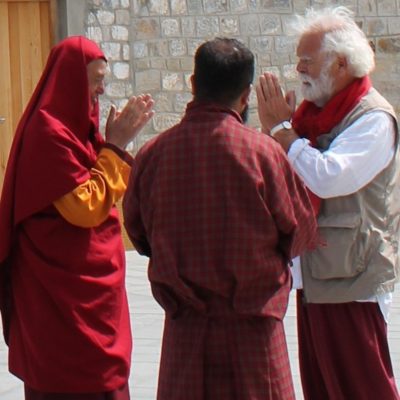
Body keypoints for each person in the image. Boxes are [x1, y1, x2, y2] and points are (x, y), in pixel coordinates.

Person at [123, 37, 317, 400]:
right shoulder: (265, 155)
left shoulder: (152, 156)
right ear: (246, 96)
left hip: (186, 337)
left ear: (194, 85)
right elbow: (302, 232)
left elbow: (138, 234)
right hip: (255, 337)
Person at [256, 6, 400, 400]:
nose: (299, 69)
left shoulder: (373, 119)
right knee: (322, 386)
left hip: (353, 279)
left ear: (340, 63)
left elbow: (329, 176)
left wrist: (283, 134)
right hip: (317, 276)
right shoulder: (312, 117)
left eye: (307, 60)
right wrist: (278, 136)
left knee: (363, 386)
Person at [0, 36, 154, 399]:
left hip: (87, 296)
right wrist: (115, 149)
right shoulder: (48, 132)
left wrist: (108, 147)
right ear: (70, 78)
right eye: (96, 78)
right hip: (60, 306)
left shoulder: (76, 131)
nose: (102, 89)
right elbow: (83, 207)